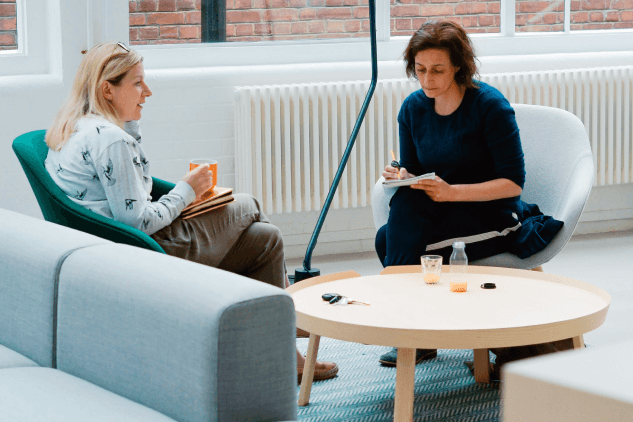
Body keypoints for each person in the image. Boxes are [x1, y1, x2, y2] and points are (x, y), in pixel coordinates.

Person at [44, 41, 337, 384]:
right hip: (150, 251)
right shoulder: (112, 141)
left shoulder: (80, 128)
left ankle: (284, 353)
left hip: (120, 249)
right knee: (249, 204)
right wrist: (187, 190)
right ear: (107, 89)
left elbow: (130, 195)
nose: (147, 91)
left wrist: (134, 129)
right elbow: (136, 221)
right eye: (137, 83)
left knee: (265, 239)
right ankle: (289, 315)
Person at [374, 21, 571, 376]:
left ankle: (407, 323)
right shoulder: (413, 109)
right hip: (443, 213)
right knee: (388, 232)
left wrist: (452, 193)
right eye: (420, 70)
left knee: (392, 239)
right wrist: (402, 176)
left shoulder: (489, 106)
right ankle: (415, 324)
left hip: (492, 215)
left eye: (437, 70)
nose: (427, 80)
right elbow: (416, 170)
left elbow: (513, 183)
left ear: (459, 67)